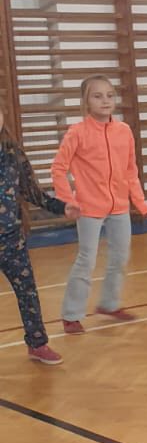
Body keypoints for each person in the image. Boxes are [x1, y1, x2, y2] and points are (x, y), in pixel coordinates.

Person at [51, 74, 147, 331]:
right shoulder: (77, 133)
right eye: (97, 96)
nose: (105, 101)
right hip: (88, 208)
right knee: (87, 260)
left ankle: (109, 303)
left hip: (119, 206)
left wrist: (140, 203)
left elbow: (130, 171)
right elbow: (58, 169)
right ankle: (71, 314)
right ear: (86, 102)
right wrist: (68, 201)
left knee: (120, 257)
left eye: (109, 95)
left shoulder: (124, 131)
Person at [0, 102, 76, 365]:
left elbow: (32, 192)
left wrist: (61, 207)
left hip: (11, 240)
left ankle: (37, 343)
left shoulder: (12, 153)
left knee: (28, 293)